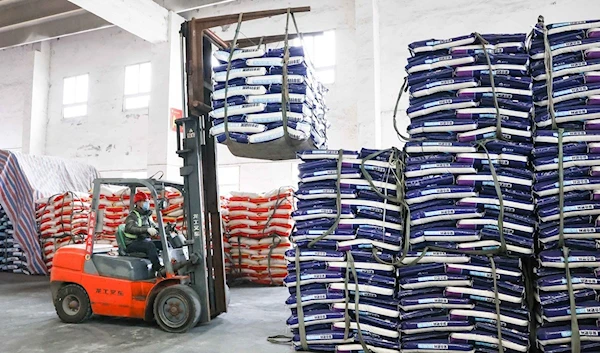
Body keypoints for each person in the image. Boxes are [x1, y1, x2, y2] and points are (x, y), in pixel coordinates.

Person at [123, 191, 162, 273]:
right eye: (144, 201)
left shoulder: (147, 215)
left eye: (147, 201)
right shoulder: (132, 216)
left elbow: (153, 226)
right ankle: (158, 268)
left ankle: (170, 265)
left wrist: (163, 229)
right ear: (138, 203)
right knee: (150, 245)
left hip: (142, 241)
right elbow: (129, 228)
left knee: (163, 243)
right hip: (132, 243)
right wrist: (146, 230)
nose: (147, 203)